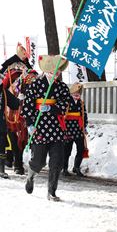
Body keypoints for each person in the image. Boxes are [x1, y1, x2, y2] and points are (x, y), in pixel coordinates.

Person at [22, 55, 70, 201]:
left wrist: (51, 107)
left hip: (56, 127)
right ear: (47, 70)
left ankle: (51, 192)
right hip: (40, 127)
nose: (56, 74)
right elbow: (27, 107)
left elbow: (66, 104)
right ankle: (30, 176)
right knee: (39, 161)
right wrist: (30, 124)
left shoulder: (62, 87)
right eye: (53, 71)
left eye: (58, 72)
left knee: (57, 161)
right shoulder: (35, 85)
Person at [62, 83, 88, 177]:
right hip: (68, 128)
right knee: (67, 150)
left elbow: (84, 115)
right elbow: (62, 115)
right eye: (75, 94)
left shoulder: (81, 103)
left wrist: (84, 126)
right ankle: (64, 168)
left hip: (78, 128)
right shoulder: (66, 102)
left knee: (81, 149)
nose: (77, 96)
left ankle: (76, 167)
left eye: (79, 94)